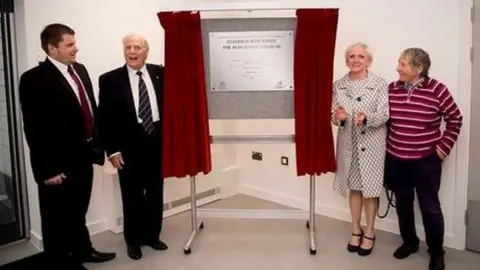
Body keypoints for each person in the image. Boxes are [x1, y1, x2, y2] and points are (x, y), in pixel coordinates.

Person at [18, 23, 116, 269]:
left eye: (75, 43)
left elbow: (90, 108)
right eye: (69, 44)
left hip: (84, 156)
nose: (76, 49)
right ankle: (60, 263)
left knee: (76, 212)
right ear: (52, 48)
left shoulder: (79, 70)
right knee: (55, 218)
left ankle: (83, 251)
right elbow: (33, 128)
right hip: (57, 164)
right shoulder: (33, 79)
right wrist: (46, 170)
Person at [386, 48, 463, 270]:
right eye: (399, 63)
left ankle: (437, 252)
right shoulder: (392, 89)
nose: (398, 68)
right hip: (397, 159)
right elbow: (386, 120)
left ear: (419, 69)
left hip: (425, 162)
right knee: (402, 205)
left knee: (430, 207)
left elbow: (455, 119)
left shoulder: (437, 90)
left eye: (403, 64)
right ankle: (410, 242)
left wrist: (441, 149)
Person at [97, 34, 167, 260]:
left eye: (137, 47)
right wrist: (113, 150)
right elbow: (104, 119)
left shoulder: (161, 73)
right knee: (132, 195)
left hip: (156, 139)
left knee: (155, 192)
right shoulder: (109, 79)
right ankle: (133, 241)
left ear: (146, 51)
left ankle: (152, 236)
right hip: (128, 145)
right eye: (128, 47)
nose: (132, 51)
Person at [332, 43, 389, 256]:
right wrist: (340, 118)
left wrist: (367, 118)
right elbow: (333, 114)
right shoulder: (339, 85)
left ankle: (370, 232)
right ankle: (355, 229)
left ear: (368, 61)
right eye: (352, 56)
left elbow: (384, 114)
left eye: (361, 57)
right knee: (354, 188)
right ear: (347, 60)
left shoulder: (379, 84)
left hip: (372, 145)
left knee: (371, 190)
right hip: (350, 145)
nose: (356, 60)